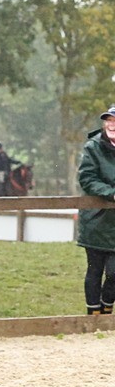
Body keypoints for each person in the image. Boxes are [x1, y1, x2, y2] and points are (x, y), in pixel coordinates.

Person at [77, 105, 115, 315]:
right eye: (108, 120)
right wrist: (111, 193)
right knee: (95, 270)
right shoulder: (93, 147)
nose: (111, 125)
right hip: (96, 220)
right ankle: (94, 316)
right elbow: (87, 179)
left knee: (114, 272)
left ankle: (107, 305)